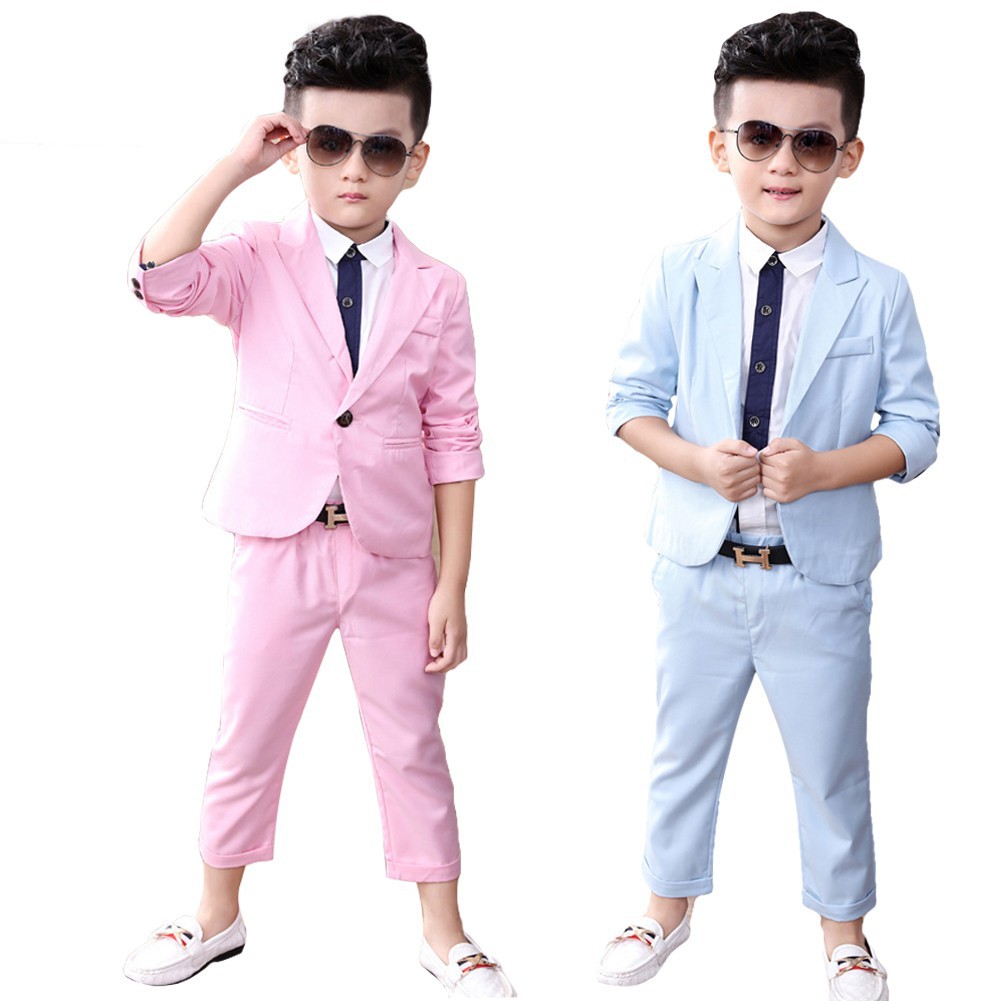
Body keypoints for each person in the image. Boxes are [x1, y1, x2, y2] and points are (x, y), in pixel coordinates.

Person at [122, 15, 515, 997]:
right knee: (246, 729)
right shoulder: (256, 255)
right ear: (296, 146)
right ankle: (215, 910)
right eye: (329, 142)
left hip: (393, 555)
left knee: (411, 742)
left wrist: (453, 583)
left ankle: (444, 929)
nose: (353, 168)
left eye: (381, 148)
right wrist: (234, 165)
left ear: (415, 162)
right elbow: (158, 279)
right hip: (275, 539)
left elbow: (454, 434)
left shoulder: (438, 288)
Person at [596, 12, 938, 1000]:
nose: (782, 162)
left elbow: (917, 426)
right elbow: (626, 402)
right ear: (720, 146)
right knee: (680, 747)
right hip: (697, 567)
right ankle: (663, 905)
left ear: (847, 155)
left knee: (829, 760)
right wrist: (693, 462)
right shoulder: (678, 271)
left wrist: (826, 469)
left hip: (817, 577)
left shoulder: (878, 290)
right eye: (758, 136)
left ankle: (844, 932)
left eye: (811, 140)